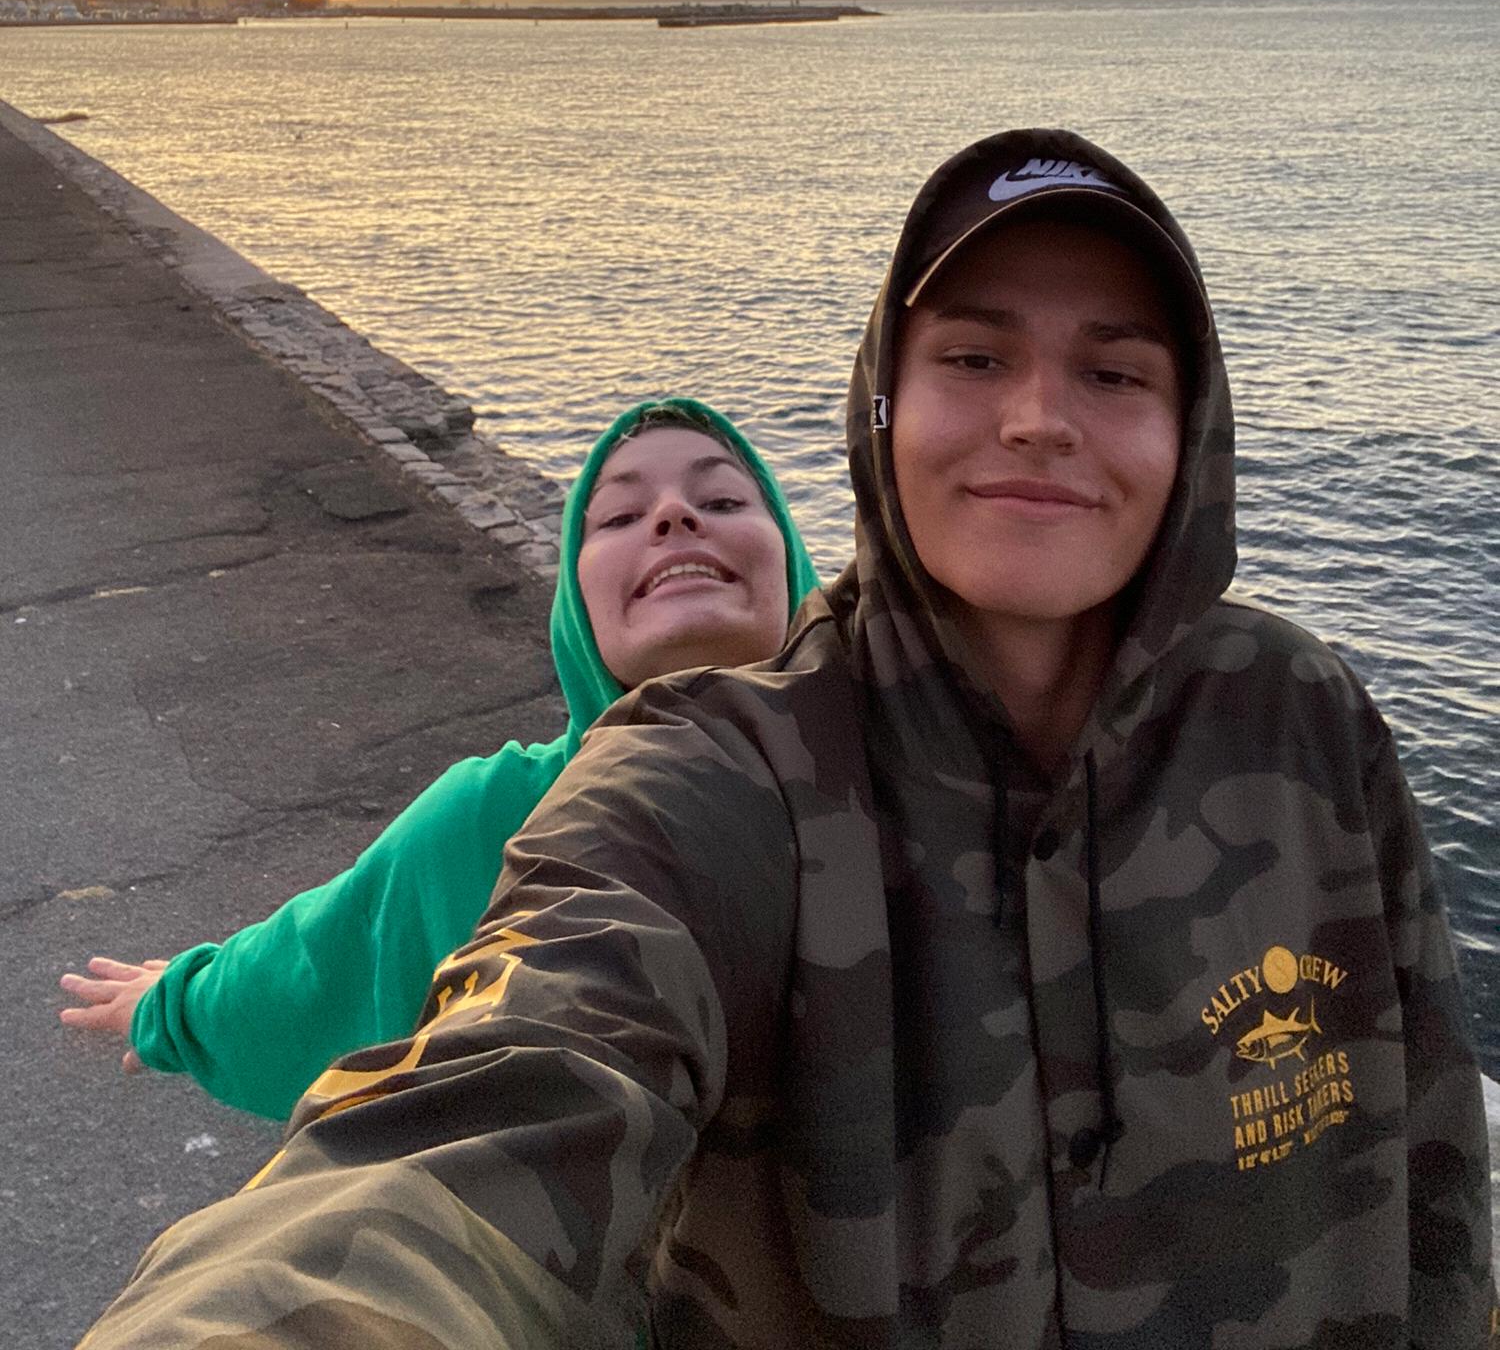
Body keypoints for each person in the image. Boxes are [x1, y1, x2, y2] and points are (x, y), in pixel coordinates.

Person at [80, 129, 1495, 1348]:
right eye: (974, 356)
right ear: (880, 406)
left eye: (1116, 373)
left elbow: (1435, 1165)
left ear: (1194, 429)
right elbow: (490, 1112)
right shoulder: (704, 781)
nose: (1037, 418)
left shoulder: (1306, 720)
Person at [58, 397, 820, 1122]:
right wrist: (181, 1005)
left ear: (792, 559)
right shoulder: (498, 819)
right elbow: (325, 957)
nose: (674, 516)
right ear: (576, 608)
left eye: (723, 501)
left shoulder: (886, 777)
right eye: (620, 516)